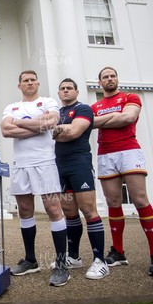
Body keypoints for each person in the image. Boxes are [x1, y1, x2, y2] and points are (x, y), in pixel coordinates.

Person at [91, 66, 153, 277]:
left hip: (129, 150)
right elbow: (89, 124)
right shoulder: (94, 105)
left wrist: (100, 121)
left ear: (117, 79)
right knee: (113, 203)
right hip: (105, 153)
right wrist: (113, 116)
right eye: (105, 77)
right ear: (100, 83)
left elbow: (128, 118)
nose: (110, 79)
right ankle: (118, 252)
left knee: (140, 200)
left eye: (113, 75)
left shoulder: (130, 96)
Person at [0, 70, 70, 287]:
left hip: (44, 162)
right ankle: (31, 260)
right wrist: (36, 125)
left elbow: (50, 122)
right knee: (25, 210)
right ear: (19, 85)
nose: (29, 83)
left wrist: (21, 123)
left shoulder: (47, 101)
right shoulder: (11, 107)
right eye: (25, 81)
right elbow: (5, 130)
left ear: (37, 83)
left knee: (52, 209)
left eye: (32, 80)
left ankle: (61, 264)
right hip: (21, 163)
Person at [51, 78, 109, 280]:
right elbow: (60, 134)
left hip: (79, 164)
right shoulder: (57, 113)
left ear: (76, 92)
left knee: (88, 209)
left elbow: (75, 131)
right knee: (69, 212)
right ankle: (74, 257)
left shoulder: (84, 109)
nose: (66, 91)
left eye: (69, 88)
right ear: (59, 93)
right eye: (62, 88)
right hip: (60, 165)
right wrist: (59, 131)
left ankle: (100, 261)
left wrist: (55, 130)